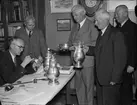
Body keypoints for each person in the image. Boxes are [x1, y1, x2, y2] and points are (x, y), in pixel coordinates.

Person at [86, 9, 127, 105]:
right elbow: (99, 51)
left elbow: (121, 59)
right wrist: (87, 49)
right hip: (101, 79)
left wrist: (115, 79)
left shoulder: (116, 34)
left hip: (110, 80)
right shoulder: (101, 33)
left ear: (104, 20)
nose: (95, 24)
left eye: (97, 21)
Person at [67, 4, 98, 105]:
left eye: (76, 15)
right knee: (79, 87)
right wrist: (70, 46)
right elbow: (70, 41)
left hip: (87, 62)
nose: (74, 17)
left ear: (83, 14)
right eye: (73, 15)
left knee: (89, 87)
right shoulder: (75, 26)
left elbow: (95, 44)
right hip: (76, 61)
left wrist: (84, 47)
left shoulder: (92, 25)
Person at [114, 5, 137, 105]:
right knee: (118, 92)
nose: (115, 16)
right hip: (118, 65)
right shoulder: (117, 28)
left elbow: (135, 47)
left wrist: (132, 64)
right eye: (115, 14)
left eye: (117, 14)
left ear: (125, 13)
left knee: (126, 91)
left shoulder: (133, 27)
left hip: (128, 65)